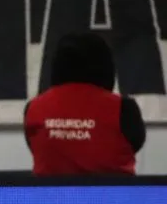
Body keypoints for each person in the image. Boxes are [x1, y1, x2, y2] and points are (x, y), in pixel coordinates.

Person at [24, 31, 146, 176]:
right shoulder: (124, 109)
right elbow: (136, 143)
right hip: (114, 197)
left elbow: (35, 146)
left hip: (50, 198)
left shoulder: (34, 108)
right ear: (106, 67)